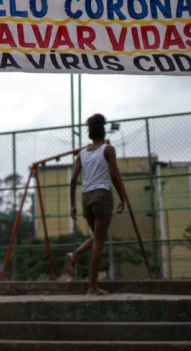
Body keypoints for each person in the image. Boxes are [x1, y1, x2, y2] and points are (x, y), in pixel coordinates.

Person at [69, 113, 126, 295]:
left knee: (97, 237)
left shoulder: (82, 153)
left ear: (90, 133)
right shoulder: (108, 150)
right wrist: (122, 198)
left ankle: (76, 254)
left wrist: (72, 204)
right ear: (103, 131)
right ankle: (92, 286)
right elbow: (114, 176)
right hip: (101, 194)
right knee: (99, 241)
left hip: (85, 197)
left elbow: (72, 180)